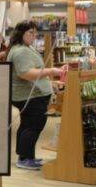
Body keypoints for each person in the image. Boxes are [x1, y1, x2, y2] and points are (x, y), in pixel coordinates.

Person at [7, 20, 66, 171]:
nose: (34, 36)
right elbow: (26, 73)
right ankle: (25, 158)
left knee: (28, 124)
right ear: (21, 33)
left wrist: (50, 81)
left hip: (31, 94)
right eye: (30, 33)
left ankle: (26, 156)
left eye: (35, 33)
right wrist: (52, 71)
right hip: (29, 96)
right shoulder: (21, 51)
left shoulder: (24, 48)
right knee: (34, 125)